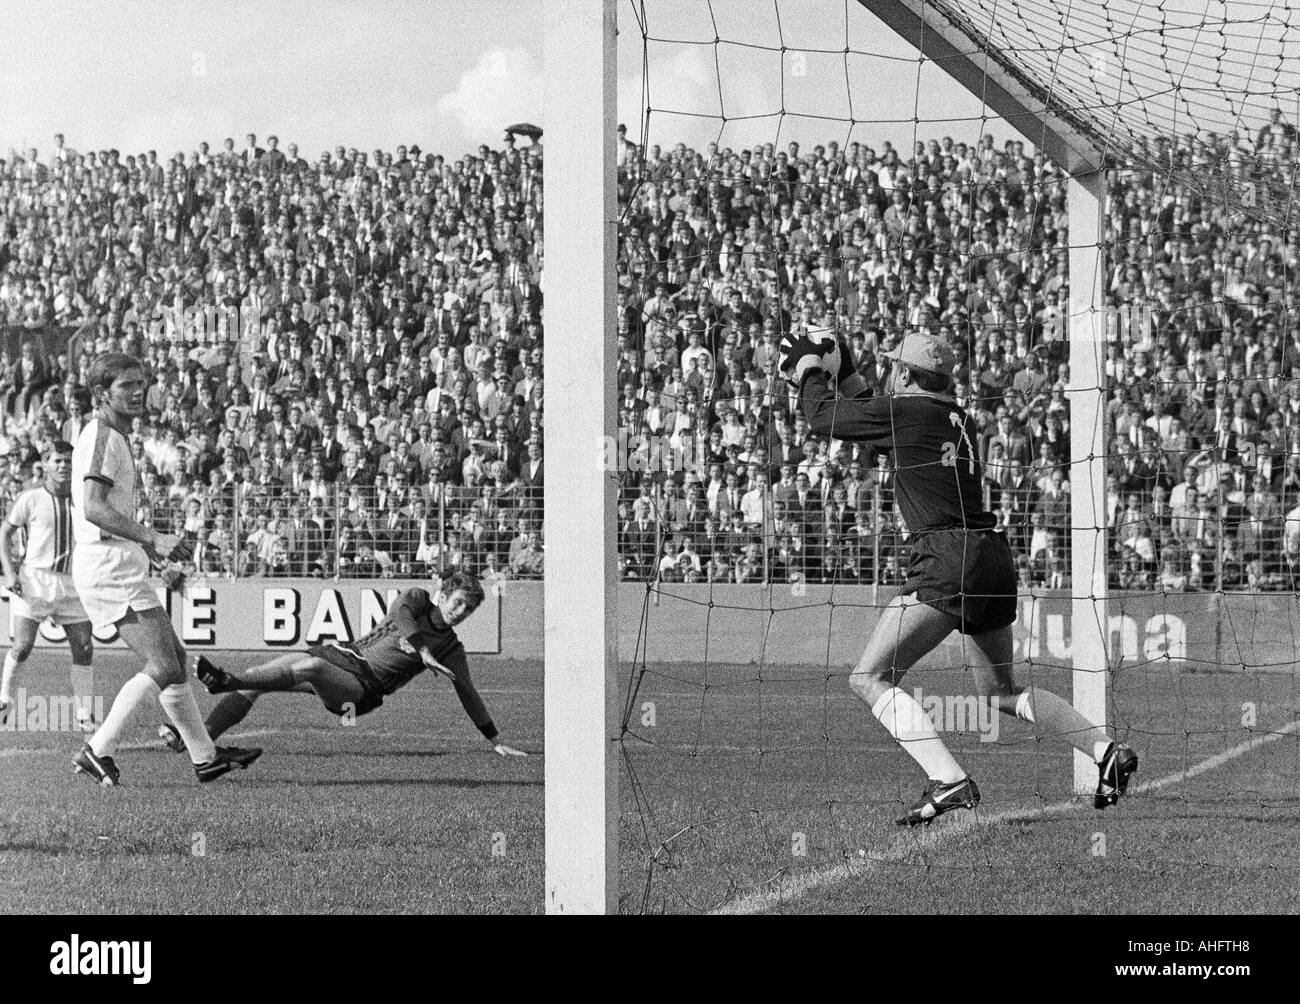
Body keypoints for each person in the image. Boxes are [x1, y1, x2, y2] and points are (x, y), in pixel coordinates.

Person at [779, 329, 1138, 825]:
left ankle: (949, 780)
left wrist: (809, 370)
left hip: (948, 557)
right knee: (1001, 693)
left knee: (869, 677)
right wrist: (846, 372)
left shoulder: (904, 412)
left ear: (904, 375)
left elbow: (823, 418)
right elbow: (876, 418)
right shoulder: (954, 417)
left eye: (893, 370)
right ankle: (1105, 752)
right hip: (991, 556)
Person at [69, 354, 261, 786]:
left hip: (115, 558)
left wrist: (150, 553)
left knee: (175, 657)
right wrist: (152, 539)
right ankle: (98, 748)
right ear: (102, 393)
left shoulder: (112, 434)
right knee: (162, 664)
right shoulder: (102, 435)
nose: (139, 391)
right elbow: (94, 508)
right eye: (127, 386)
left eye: (142, 383)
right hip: (107, 563)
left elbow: (104, 511)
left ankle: (205, 757)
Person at [167, 570, 527, 758]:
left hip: (362, 691)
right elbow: (400, 613)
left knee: (309, 667)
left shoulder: (451, 648)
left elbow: (468, 692)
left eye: (469, 609)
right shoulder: (417, 600)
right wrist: (422, 650)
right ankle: (195, 743)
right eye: (459, 603)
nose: (461, 613)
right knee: (257, 683)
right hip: (345, 656)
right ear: (444, 595)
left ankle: (223, 680)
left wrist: (494, 739)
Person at [0, 441, 96, 731]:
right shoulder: (30, 498)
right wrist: (9, 572)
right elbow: (4, 533)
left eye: (68, 461)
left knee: (84, 648)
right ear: (45, 464)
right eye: (58, 461)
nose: (64, 466)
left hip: (72, 584)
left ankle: (84, 714)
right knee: (24, 645)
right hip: (35, 581)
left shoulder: (84, 500)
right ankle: (4, 700)